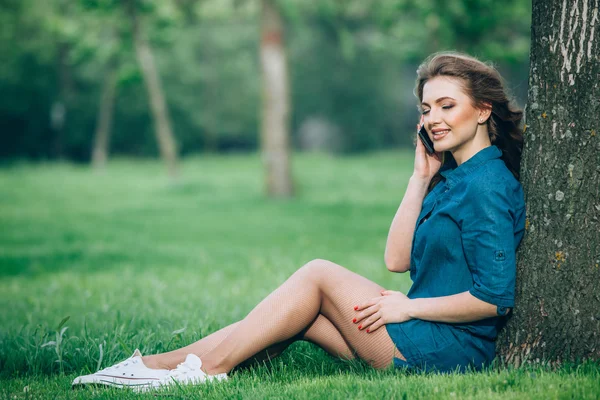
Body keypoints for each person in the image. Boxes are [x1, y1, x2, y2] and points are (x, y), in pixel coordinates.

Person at [72, 51, 526, 390]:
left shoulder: (487, 185)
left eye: (447, 106)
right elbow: (396, 259)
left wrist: (407, 307)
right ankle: (152, 367)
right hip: (421, 328)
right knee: (298, 316)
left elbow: (494, 297)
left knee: (317, 274)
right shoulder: (451, 177)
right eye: (427, 109)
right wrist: (418, 178)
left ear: (483, 110)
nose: (433, 120)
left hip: (447, 348)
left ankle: (205, 372)